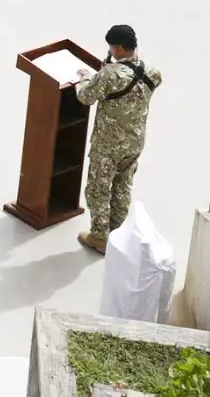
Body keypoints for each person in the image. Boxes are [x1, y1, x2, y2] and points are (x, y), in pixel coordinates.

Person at [74, 24, 163, 255]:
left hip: (109, 144)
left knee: (98, 189)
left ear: (119, 47)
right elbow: (132, 80)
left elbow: (85, 97)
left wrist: (86, 78)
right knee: (123, 187)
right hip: (134, 143)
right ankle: (118, 234)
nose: (111, 50)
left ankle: (99, 237)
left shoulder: (109, 75)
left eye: (112, 47)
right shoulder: (152, 72)